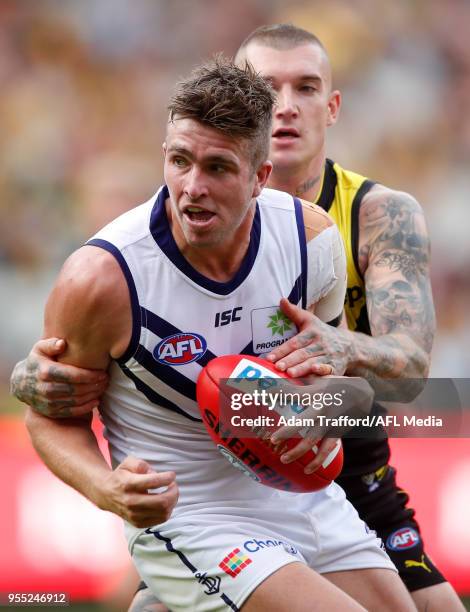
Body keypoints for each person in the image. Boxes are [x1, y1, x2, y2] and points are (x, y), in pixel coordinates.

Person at [10, 25, 464, 612]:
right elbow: (47, 418)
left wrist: (318, 406)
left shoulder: (311, 238)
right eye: (179, 161)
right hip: (193, 508)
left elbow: (358, 391)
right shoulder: (101, 278)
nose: (192, 188)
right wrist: (106, 488)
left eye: (218, 168)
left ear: (260, 176)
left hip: (304, 489)